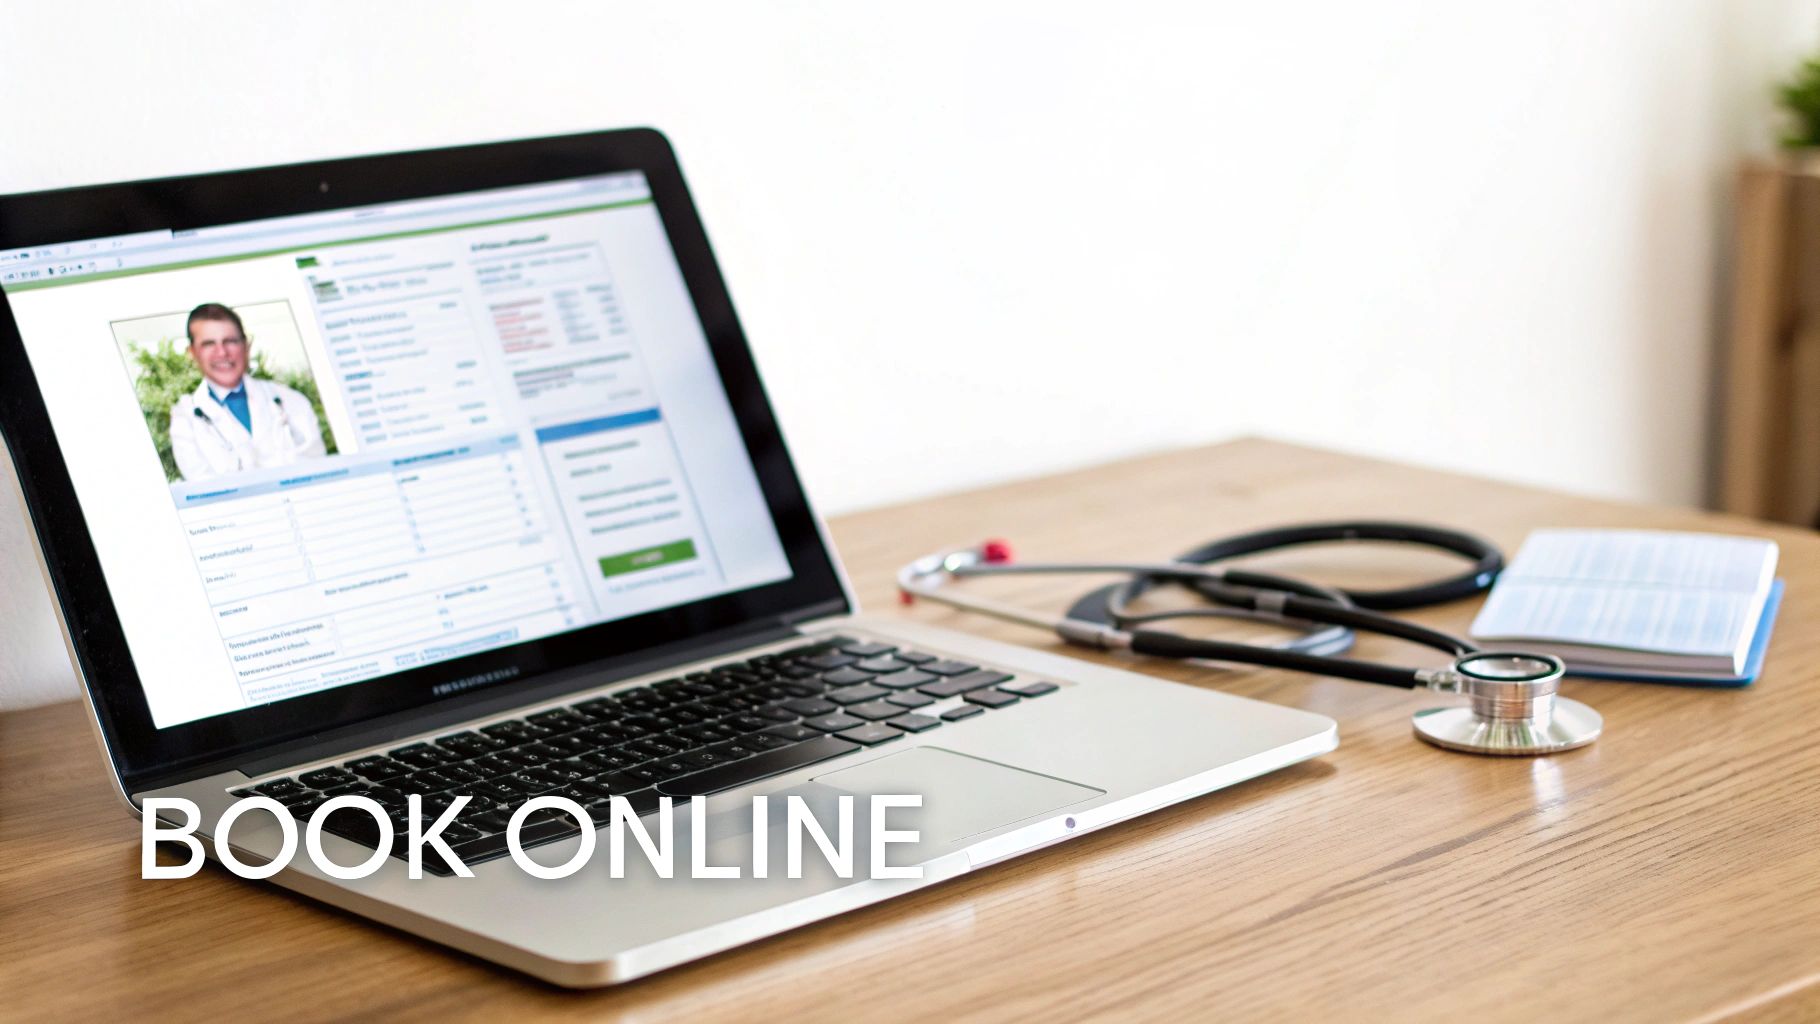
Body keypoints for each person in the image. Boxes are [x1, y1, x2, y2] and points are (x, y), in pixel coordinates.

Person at [167, 303, 326, 481]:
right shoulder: (185, 419)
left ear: (246, 346)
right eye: (209, 344)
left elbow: (317, 469)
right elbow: (204, 485)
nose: (222, 353)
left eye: (231, 341)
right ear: (192, 353)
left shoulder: (291, 401)